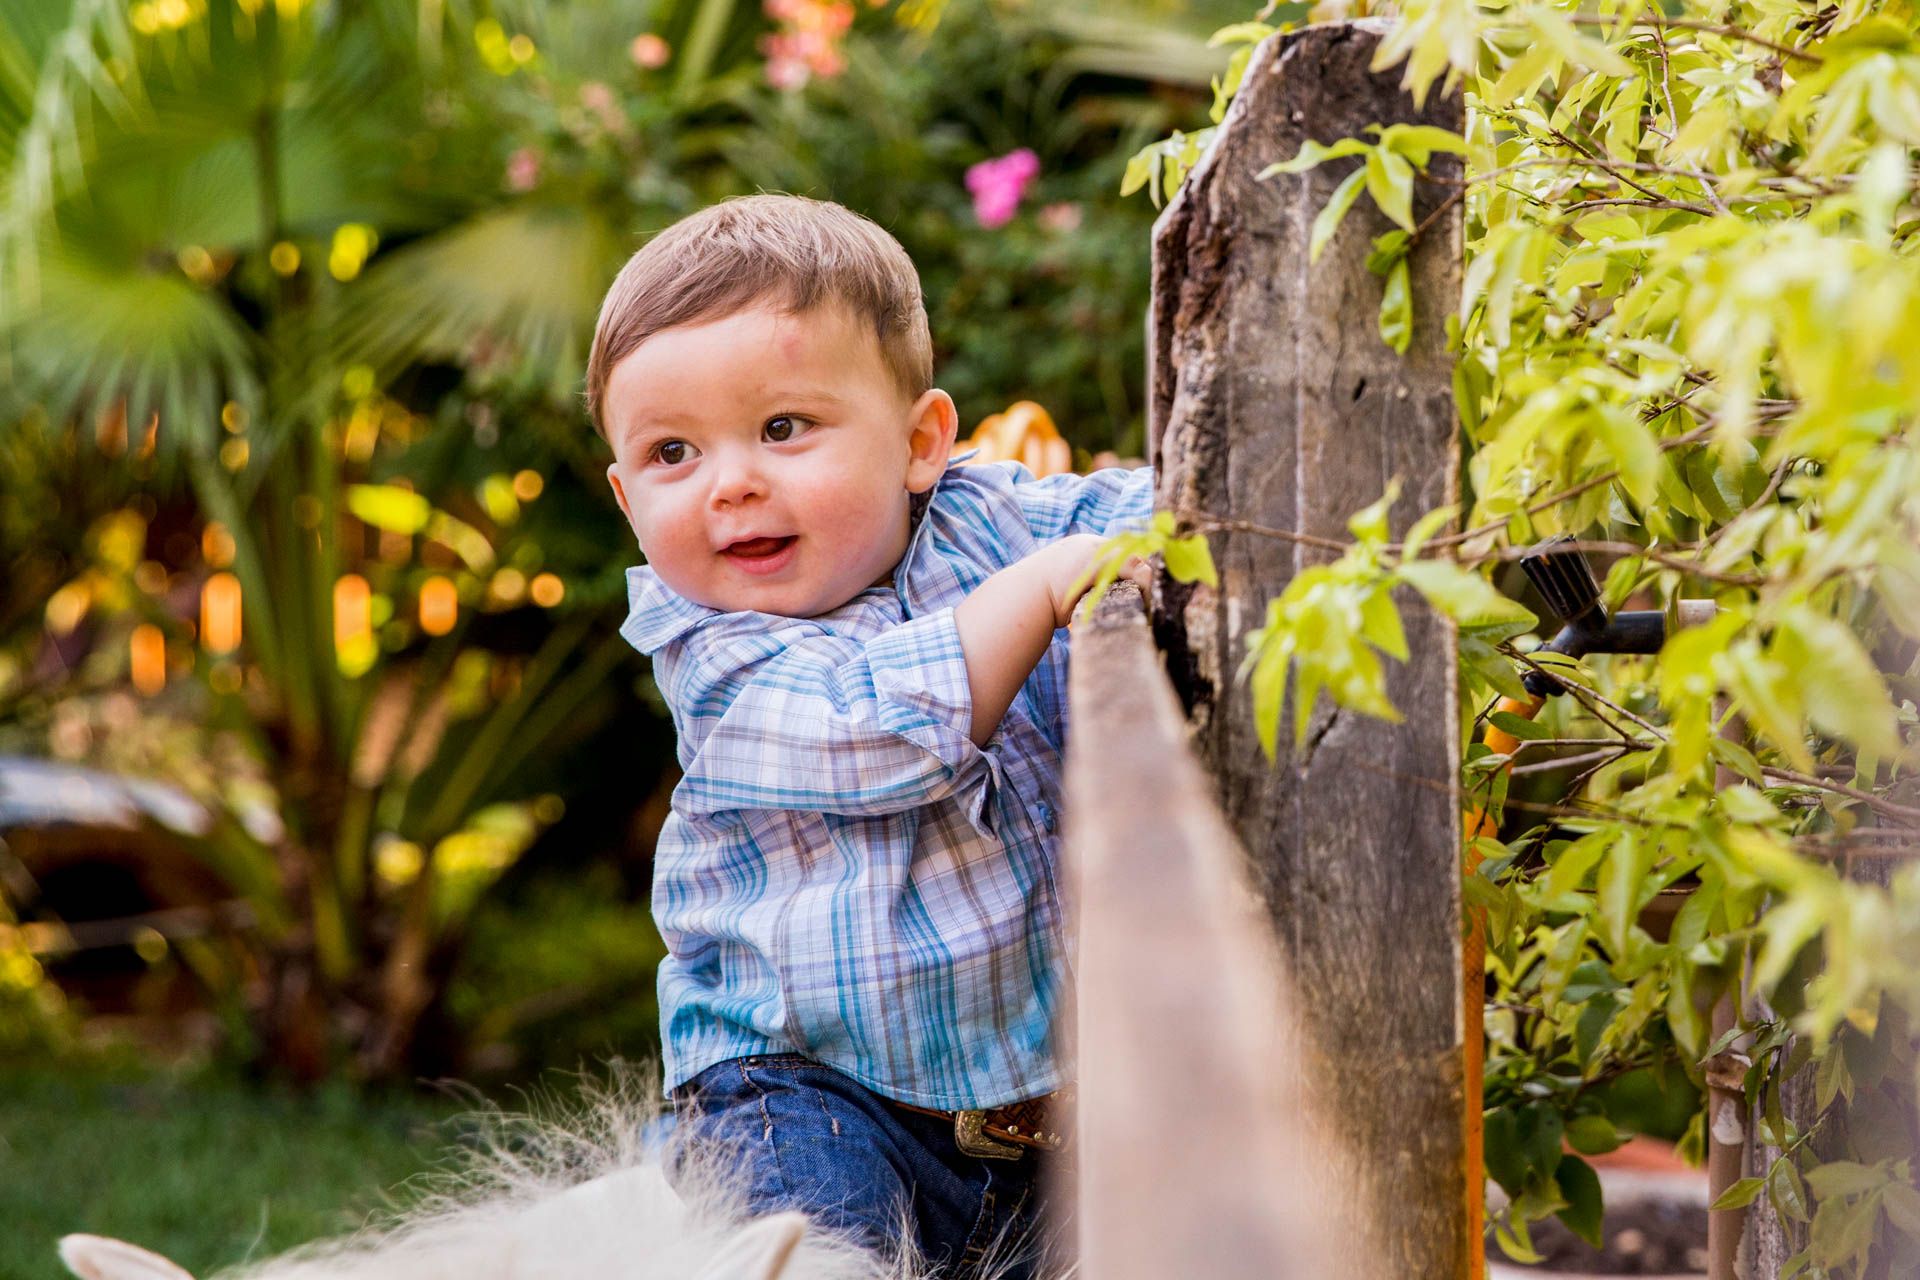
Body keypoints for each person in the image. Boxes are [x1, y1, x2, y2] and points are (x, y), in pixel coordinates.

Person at [585, 193, 1152, 1278]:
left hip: (1036, 1114)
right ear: (625, 498)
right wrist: (1043, 589)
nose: (732, 480)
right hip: (803, 1092)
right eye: (671, 452)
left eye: (783, 427)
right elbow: (871, 735)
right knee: (817, 1255)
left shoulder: (989, 521)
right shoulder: (709, 648)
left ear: (921, 441)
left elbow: (1155, 514)